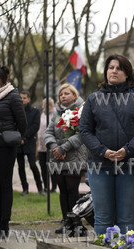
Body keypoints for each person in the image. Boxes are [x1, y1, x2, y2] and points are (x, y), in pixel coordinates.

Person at [79, 54, 134, 235]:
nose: (114, 71)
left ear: (127, 73)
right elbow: (85, 130)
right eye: (111, 67)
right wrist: (102, 151)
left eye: (119, 68)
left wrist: (127, 150)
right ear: (106, 72)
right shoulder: (93, 99)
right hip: (100, 165)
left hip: (130, 164)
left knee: (128, 218)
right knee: (102, 217)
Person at [0, 66, 27, 239]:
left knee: (5, 185)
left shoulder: (12, 96)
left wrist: (15, 138)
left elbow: (22, 123)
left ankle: (4, 225)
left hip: (5, 148)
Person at [45, 83, 87, 234]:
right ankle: (66, 221)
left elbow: (82, 133)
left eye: (66, 93)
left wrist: (64, 147)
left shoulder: (81, 110)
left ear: (74, 96)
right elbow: (48, 132)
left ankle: (76, 222)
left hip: (74, 156)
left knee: (72, 190)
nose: (63, 96)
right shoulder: (56, 113)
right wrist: (54, 146)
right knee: (62, 190)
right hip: (57, 157)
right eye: (61, 94)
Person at [17, 90, 43, 196]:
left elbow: (35, 126)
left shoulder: (35, 112)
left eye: (24, 98)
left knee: (33, 165)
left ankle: (40, 188)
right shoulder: (16, 111)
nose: (22, 100)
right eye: (20, 98)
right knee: (21, 167)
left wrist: (24, 136)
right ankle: (25, 189)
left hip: (30, 141)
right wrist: (19, 137)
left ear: (29, 99)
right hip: (18, 142)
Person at [37, 98, 57, 193]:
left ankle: (53, 187)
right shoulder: (42, 114)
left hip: (51, 146)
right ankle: (46, 186)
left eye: (47, 105)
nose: (45, 107)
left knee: (52, 168)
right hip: (41, 146)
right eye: (44, 105)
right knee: (43, 167)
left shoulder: (55, 114)